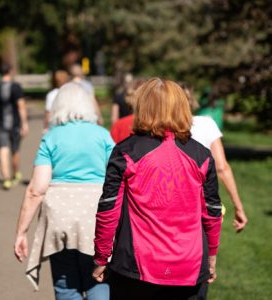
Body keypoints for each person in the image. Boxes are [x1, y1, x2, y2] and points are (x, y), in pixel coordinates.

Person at [93, 78, 222, 300]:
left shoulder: (126, 151)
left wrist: (101, 258)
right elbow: (212, 211)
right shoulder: (201, 155)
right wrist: (211, 256)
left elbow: (108, 209)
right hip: (189, 265)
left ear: (142, 107)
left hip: (136, 268)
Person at [14, 82, 114, 300]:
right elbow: (117, 180)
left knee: (66, 285)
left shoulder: (51, 137)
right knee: (99, 280)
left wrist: (21, 232)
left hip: (59, 219)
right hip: (96, 218)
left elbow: (36, 190)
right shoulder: (103, 135)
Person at [183, 84, 248, 233]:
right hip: (202, 206)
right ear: (191, 100)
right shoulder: (205, 124)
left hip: (166, 207)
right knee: (204, 253)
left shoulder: (159, 129)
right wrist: (238, 207)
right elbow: (221, 167)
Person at [0, 63, 29, 190]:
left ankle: (6, 179)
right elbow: (21, 106)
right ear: (10, 71)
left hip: (1, 124)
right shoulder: (16, 87)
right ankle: (15, 174)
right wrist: (24, 123)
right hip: (15, 124)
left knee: (3, 149)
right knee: (15, 150)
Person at [109, 79, 145, 143]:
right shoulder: (149, 123)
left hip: (122, 130)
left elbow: (114, 118)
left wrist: (115, 127)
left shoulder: (119, 97)